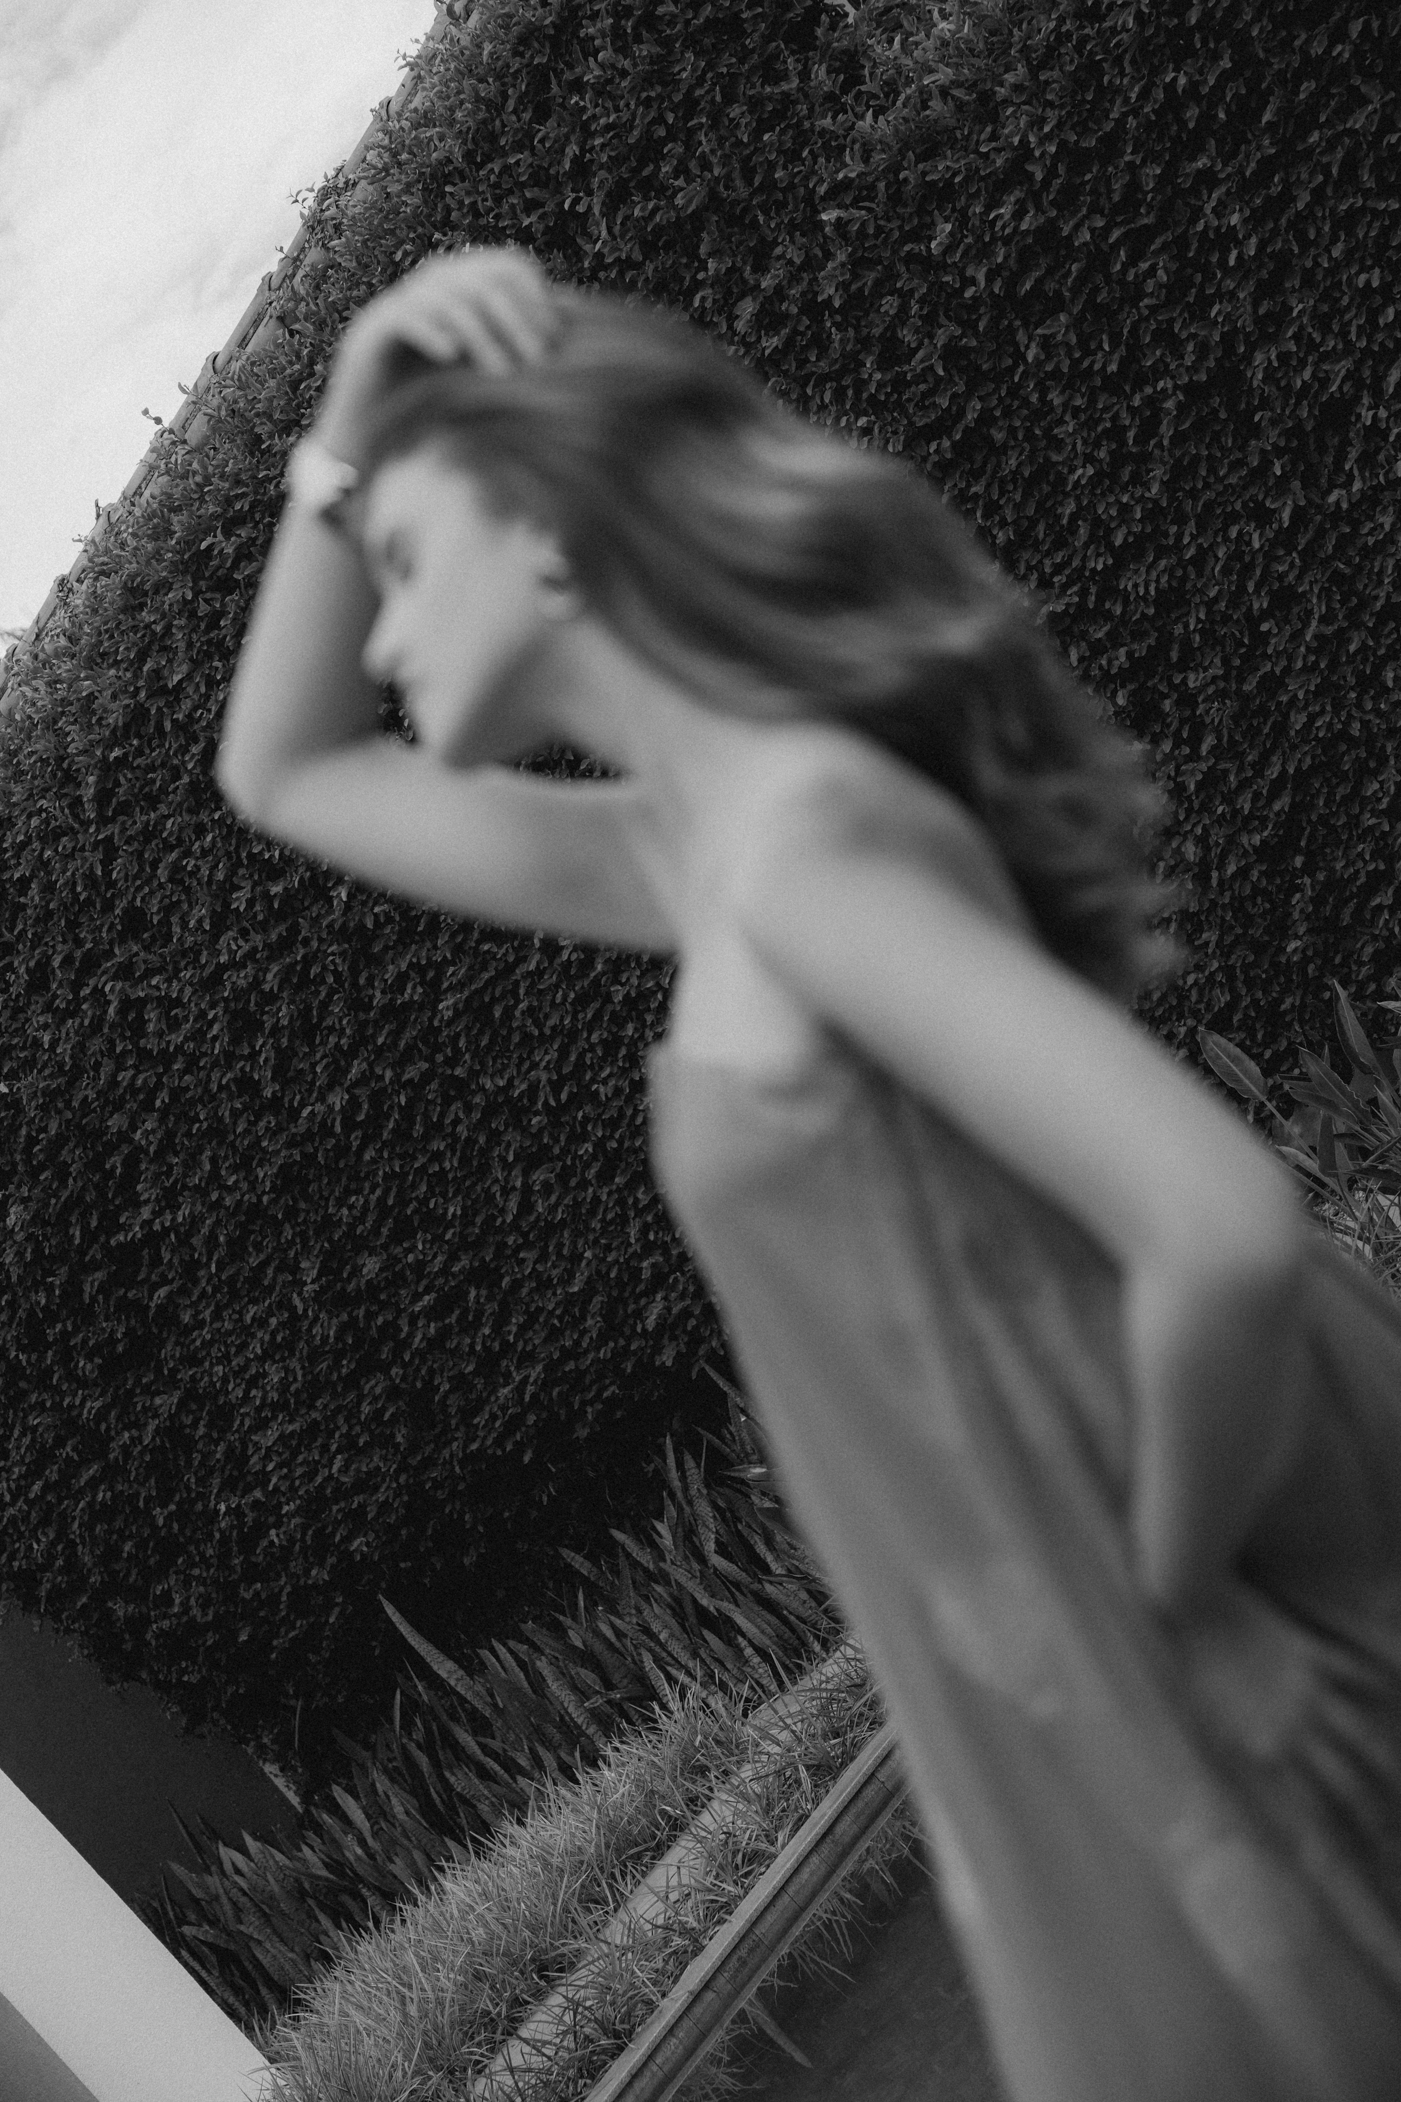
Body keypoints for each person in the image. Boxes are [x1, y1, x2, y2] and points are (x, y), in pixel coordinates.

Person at [216, 245, 1401, 2099]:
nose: (378, 636)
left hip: (1193, 1557)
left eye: (409, 561)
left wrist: (1169, 1599)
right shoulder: (697, 848)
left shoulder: (792, 849)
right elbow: (281, 771)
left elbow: (1218, 1225)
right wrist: (353, 418)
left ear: (553, 532)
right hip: (1079, 1576)